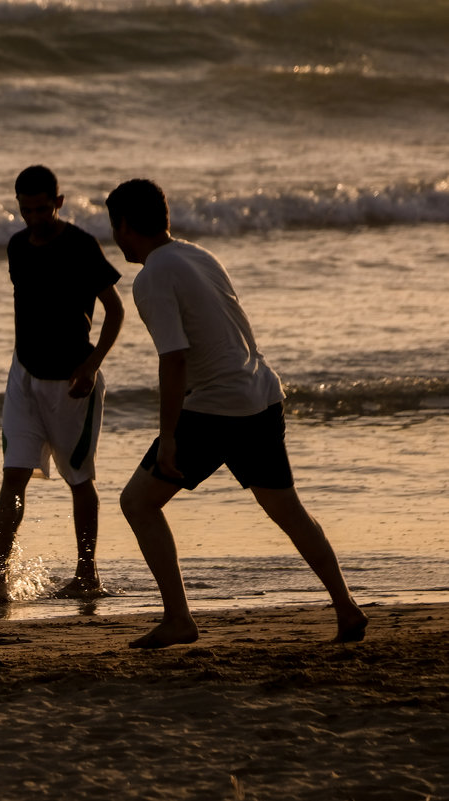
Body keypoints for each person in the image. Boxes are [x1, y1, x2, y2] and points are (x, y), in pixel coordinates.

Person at [105, 178, 368, 648]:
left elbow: (174, 357)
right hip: (260, 395)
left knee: (137, 503)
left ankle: (178, 618)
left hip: (216, 407)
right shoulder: (199, 255)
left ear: (124, 225)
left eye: (115, 227)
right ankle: (346, 607)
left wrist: (168, 437)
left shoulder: (152, 277)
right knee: (289, 512)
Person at [0, 165, 124, 602]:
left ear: (58, 203)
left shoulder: (80, 246)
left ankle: (87, 573)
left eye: (43, 208)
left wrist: (92, 366)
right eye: (26, 210)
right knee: (13, 474)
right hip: (23, 375)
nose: (35, 218)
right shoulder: (17, 245)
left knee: (79, 478)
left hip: (72, 381)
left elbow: (115, 312)